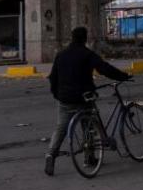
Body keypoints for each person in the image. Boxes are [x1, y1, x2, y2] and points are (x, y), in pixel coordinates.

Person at [44, 26, 130, 176]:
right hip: (83, 97)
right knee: (89, 125)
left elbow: (53, 78)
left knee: (61, 128)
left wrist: (58, 95)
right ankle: (89, 158)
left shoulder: (61, 55)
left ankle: (51, 154)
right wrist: (123, 76)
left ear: (72, 38)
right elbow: (104, 68)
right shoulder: (87, 54)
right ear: (85, 39)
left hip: (64, 99)